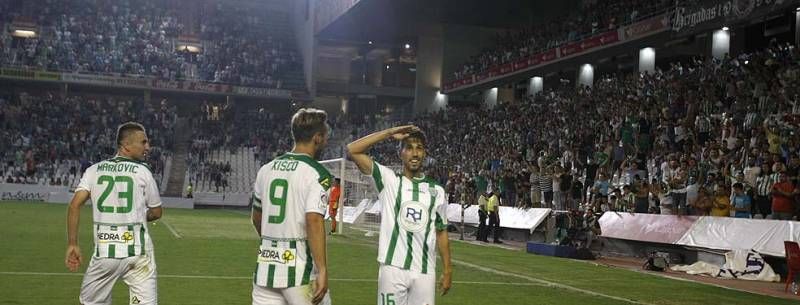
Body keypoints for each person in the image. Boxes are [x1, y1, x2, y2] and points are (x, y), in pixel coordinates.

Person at [347, 125, 453, 305]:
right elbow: (353, 150)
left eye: (419, 148)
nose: (415, 153)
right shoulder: (388, 180)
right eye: (409, 148)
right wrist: (389, 133)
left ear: (425, 154)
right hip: (392, 268)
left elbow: (441, 232)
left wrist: (448, 270)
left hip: (424, 271)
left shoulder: (437, 191)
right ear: (401, 153)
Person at [65, 122, 163, 305]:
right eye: (143, 142)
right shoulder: (143, 172)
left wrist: (72, 243)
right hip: (139, 254)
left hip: (105, 252)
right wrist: (139, 217)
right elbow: (157, 212)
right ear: (126, 145)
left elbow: (74, 205)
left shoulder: (94, 170)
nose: (147, 147)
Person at [251, 108, 332, 305]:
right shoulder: (318, 173)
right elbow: (313, 220)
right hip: (300, 274)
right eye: (325, 136)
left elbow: (256, 217)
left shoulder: (266, 169)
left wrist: (275, 243)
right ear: (317, 138)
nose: (326, 141)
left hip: (265, 269)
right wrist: (322, 269)